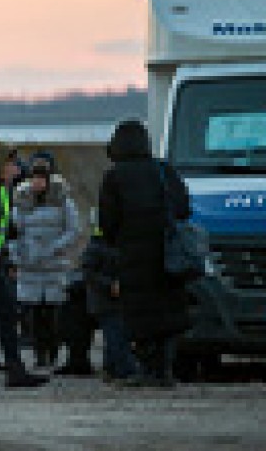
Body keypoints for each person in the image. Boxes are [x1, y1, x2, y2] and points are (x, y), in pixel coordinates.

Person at [99, 119, 191, 387]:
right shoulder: (162, 170)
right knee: (167, 313)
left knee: (139, 315)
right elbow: (183, 207)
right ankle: (164, 370)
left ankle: (147, 369)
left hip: (132, 257)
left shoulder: (115, 177)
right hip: (166, 254)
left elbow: (108, 222)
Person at [0, 143, 49, 387]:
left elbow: (0, 230)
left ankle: (14, 369)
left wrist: (5, 255)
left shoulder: (2, 191)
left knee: (8, 312)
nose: (16, 168)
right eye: (11, 164)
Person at [11, 154, 80, 369]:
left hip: (54, 264)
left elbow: (73, 229)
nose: (37, 183)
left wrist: (56, 247)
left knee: (53, 312)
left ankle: (52, 350)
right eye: (34, 178)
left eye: (41, 178)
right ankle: (40, 353)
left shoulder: (63, 201)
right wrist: (18, 254)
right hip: (30, 263)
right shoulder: (21, 200)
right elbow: (15, 231)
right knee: (32, 313)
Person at [81, 227, 139, 382]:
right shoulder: (96, 247)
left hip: (114, 299)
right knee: (116, 334)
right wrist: (109, 285)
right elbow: (88, 273)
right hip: (104, 300)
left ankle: (112, 368)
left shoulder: (114, 245)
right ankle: (124, 369)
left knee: (116, 334)